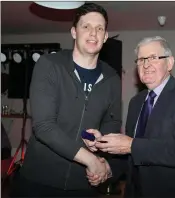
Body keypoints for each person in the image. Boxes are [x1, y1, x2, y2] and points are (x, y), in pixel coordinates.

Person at [10, 3, 122, 197]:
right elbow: (44, 126)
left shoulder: (112, 78)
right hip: (39, 182)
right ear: (73, 32)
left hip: (85, 185)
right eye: (86, 26)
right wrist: (91, 160)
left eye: (99, 28)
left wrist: (100, 141)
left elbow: (112, 122)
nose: (93, 33)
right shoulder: (49, 65)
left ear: (105, 37)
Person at [86, 36, 175, 197]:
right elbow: (131, 155)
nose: (146, 64)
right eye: (141, 59)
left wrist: (130, 145)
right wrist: (107, 168)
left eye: (153, 58)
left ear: (170, 63)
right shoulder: (136, 102)